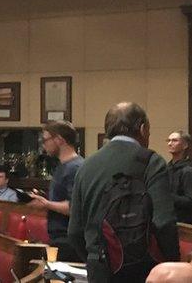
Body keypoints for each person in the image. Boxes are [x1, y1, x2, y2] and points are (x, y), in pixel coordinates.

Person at [67, 103, 179, 282]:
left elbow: (74, 231)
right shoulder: (151, 162)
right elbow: (164, 222)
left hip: (99, 268)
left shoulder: (86, 165)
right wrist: (172, 263)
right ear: (143, 128)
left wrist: (95, 257)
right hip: (140, 267)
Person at [30, 121, 84, 262]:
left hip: (69, 241)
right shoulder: (63, 166)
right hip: (60, 239)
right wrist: (44, 199)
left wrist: (47, 204)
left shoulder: (74, 168)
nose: (43, 144)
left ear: (59, 140)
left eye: (46, 139)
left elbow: (74, 208)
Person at [166, 130, 192, 224]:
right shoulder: (167, 168)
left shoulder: (189, 171)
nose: (170, 143)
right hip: (168, 220)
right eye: (168, 140)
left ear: (185, 145)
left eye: (174, 140)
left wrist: (167, 197)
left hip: (183, 222)